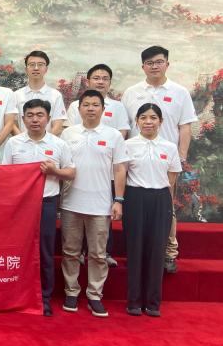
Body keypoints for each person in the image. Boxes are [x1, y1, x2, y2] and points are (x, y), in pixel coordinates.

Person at [121, 46, 198, 274]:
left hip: (166, 161)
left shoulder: (179, 92)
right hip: (135, 161)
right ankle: (137, 253)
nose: (154, 66)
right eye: (149, 63)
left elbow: (185, 127)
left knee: (167, 208)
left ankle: (168, 253)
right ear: (143, 66)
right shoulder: (131, 92)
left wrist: (180, 158)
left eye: (159, 62)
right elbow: (125, 127)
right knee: (135, 210)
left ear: (167, 64)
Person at [2, 99, 75, 316]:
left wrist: (55, 171)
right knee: (17, 250)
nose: (35, 119)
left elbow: (71, 172)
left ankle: (44, 298)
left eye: (40, 115)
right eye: (30, 115)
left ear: (48, 118)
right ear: (23, 119)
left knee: (44, 251)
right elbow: (5, 174)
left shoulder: (59, 144)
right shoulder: (14, 143)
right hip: (20, 205)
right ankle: (15, 294)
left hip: (47, 204)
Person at [60, 90, 129, 318]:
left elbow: (119, 169)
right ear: (79, 109)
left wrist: (118, 200)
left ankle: (94, 295)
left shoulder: (113, 136)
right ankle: (71, 292)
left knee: (98, 254)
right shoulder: (68, 134)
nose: (90, 108)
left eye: (95, 105)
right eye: (86, 104)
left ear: (103, 109)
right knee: (70, 251)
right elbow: (61, 166)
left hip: (100, 204)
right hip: (71, 203)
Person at [65, 64, 130, 268]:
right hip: (77, 177)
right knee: (73, 237)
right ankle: (79, 258)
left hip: (105, 171)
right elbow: (69, 140)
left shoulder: (117, 108)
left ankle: (103, 254)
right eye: (96, 77)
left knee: (100, 222)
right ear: (88, 81)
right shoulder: (74, 109)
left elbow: (122, 135)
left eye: (105, 78)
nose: (100, 81)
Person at [124, 103, 182, 317]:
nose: (148, 122)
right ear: (137, 121)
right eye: (143, 117)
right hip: (135, 197)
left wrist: (164, 200)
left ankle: (153, 303)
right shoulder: (128, 145)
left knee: (157, 250)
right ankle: (134, 301)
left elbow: (172, 178)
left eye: (153, 118)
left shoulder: (169, 147)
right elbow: (121, 174)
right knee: (135, 249)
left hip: (160, 199)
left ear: (161, 121)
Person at [14, 51, 66, 136]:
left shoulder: (56, 95)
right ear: (26, 69)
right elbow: (13, 123)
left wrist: (45, 140)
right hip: (22, 143)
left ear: (46, 69)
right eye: (32, 65)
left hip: (48, 143)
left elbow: (58, 124)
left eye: (40, 64)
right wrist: (23, 141)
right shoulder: (16, 95)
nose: (36, 68)